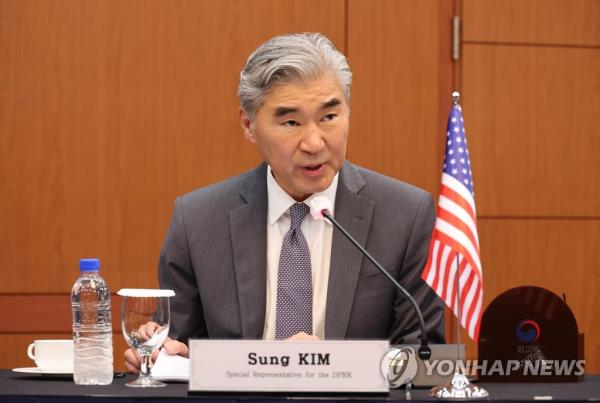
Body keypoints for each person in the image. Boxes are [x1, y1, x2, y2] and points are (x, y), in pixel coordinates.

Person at [125, 32, 444, 373]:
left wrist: (327, 365)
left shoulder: (406, 215)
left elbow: (424, 361)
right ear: (249, 125)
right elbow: (181, 348)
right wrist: (162, 354)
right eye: (291, 122)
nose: (314, 142)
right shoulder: (199, 220)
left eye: (329, 117)